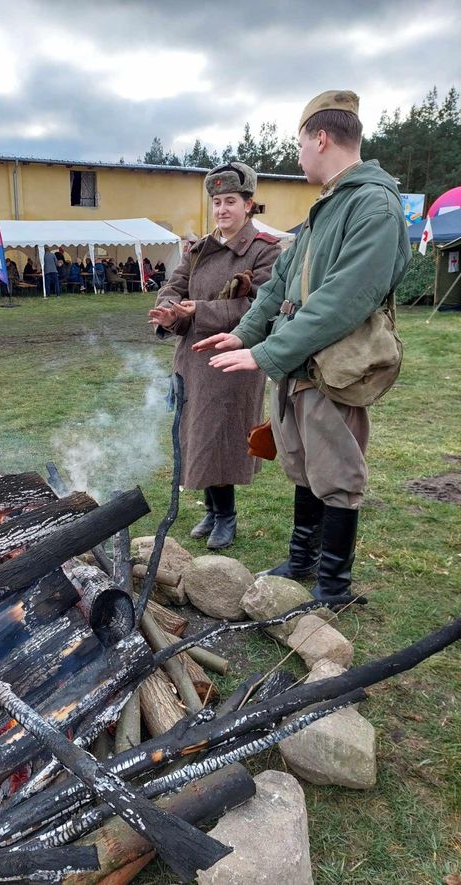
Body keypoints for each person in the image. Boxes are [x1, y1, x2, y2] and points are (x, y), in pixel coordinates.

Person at [195, 90, 411, 600]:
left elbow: (342, 299)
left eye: (299, 143)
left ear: (320, 137)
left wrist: (265, 353)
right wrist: (246, 331)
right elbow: (279, 284)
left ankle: (333, 586)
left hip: (334, 364)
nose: (297, 155)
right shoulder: (326, 206)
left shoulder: (373, 205)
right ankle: (302, 561)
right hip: (302, 365)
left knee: (335, 471)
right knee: (305, 465)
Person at [149, 161, 281, 549]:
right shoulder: (198, 250)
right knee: (197, 437)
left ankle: (227, 516)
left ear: (249, 205)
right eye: (217, 202)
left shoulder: (263, 252)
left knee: (222, 438)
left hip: (232, 361)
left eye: (230, 201)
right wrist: (169, 311)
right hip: (191, 361)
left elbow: (260, 309)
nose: (222, 210)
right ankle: (211, 510)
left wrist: (199, 311)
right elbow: (173, 287)